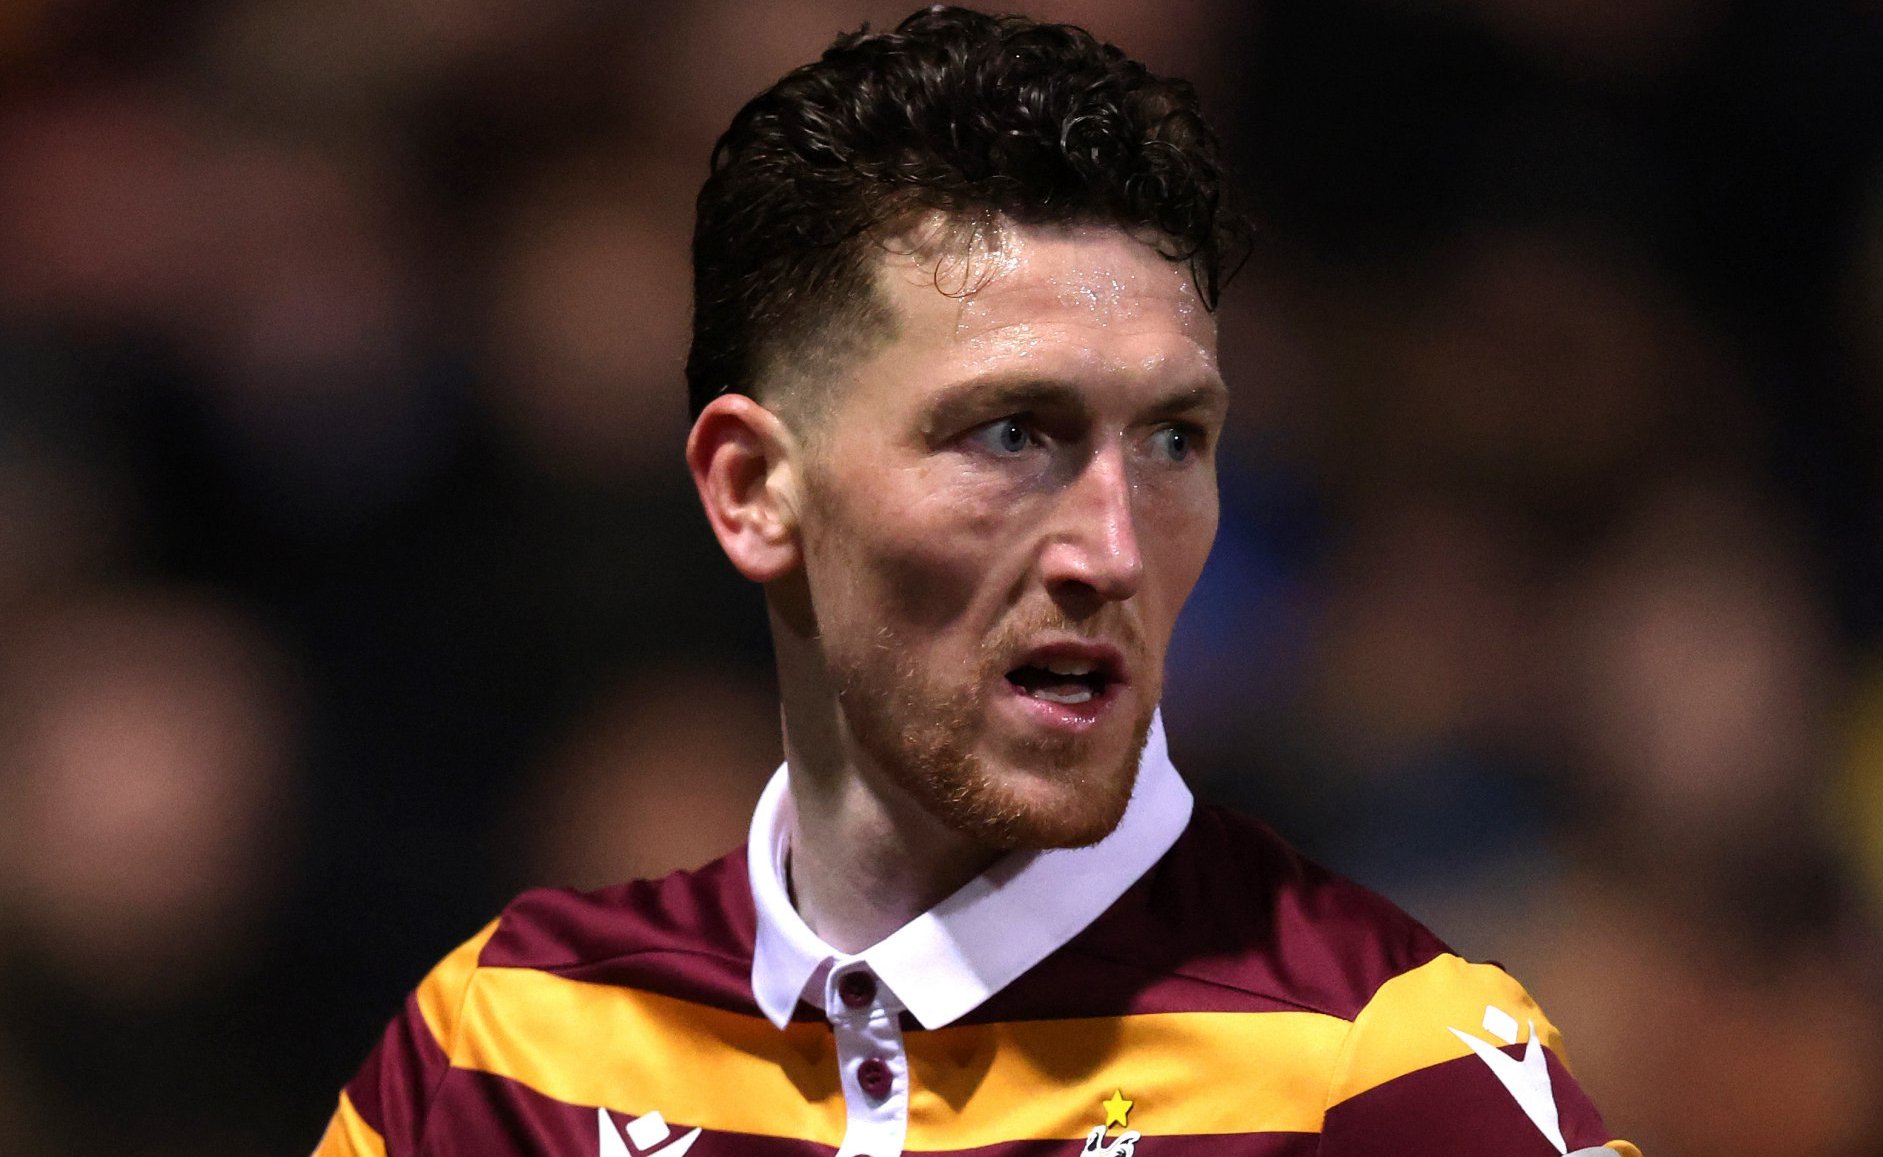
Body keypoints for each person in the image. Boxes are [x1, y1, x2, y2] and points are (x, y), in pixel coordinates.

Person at [314, 9, 1638, 1156]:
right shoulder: (502, 1053)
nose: (1111, 546)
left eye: (1173, 438)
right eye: (1011, 434)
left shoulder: (1375, 1058)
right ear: (752, 489)